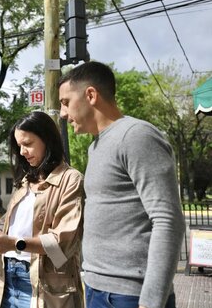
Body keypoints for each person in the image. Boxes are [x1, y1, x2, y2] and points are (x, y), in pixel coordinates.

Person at [58, 61, 186, 308]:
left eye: (65, 102)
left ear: (91, 95)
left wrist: (151, 300)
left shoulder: (136, 135)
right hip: (97, 289)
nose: (63, 114)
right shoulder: (95, 146)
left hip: (130, 297)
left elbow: (168, 220)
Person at [0, 111, 85, 308]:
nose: (23, 152)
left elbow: (62, 243)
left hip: (44, 284)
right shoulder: (25, 180)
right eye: (19, 146)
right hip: (6, 278)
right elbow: (7, 224)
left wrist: (14, 244)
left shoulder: (71, 179)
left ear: (47, 140)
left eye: (28, 144)